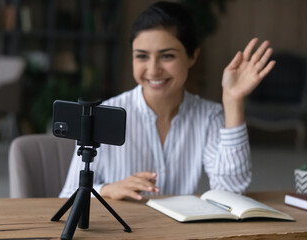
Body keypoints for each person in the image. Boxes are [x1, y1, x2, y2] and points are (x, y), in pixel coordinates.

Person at [59, 1, 275, 200]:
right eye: (142, 56)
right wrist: (107, 190)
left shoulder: (209, 116)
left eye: (167, 56)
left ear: (192, 57)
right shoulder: (102, 115)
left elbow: (232, 192)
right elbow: (67, 196)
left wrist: (233, 100)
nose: (153, 70)